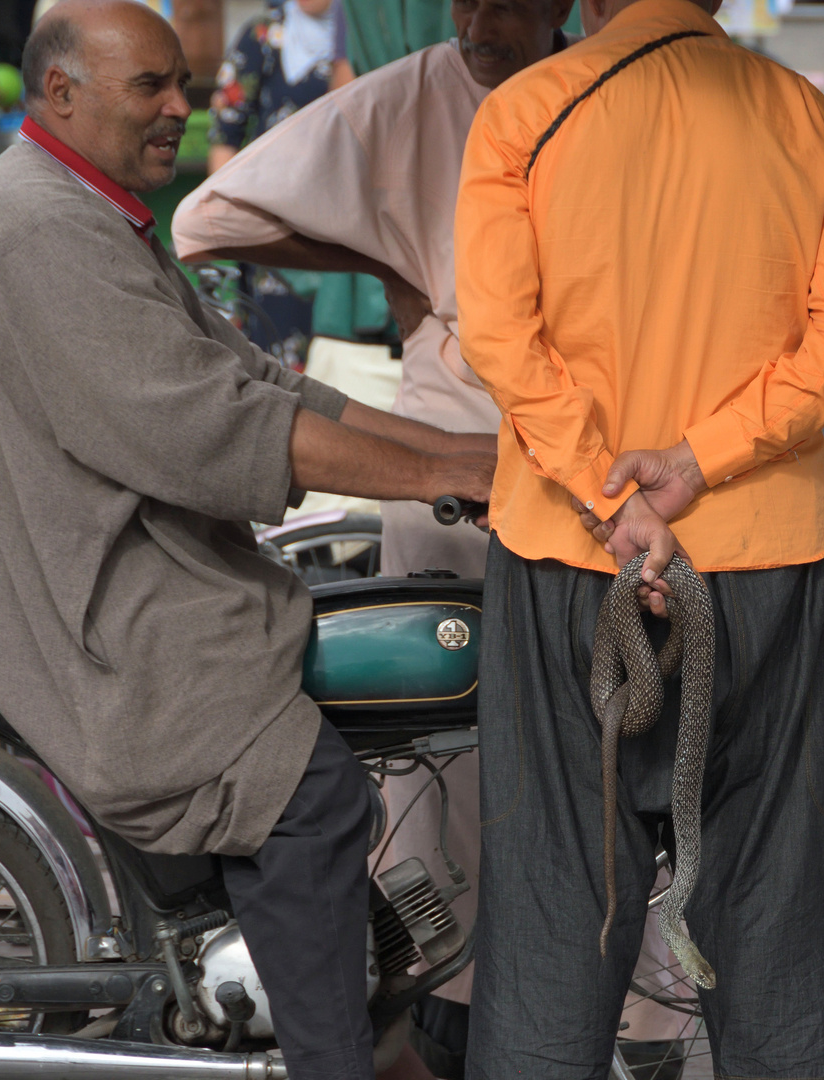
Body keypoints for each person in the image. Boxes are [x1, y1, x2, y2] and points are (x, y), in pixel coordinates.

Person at [0, 4, 495, 1078]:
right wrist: (443, 475)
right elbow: (206, 426)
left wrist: (457, 452)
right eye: (149, 88)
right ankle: (332, 1062)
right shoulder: (38, 228)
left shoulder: (89, 210)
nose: (181, 107)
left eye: (182, 83)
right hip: (108, 615)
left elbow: (259, 378)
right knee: (312, 798)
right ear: (61, 93)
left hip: (137, 575)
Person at [452, 0, 824, 1070]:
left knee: (559, 909)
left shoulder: (525, 113)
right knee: (779, 909)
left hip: (569, 556)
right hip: (762, 567)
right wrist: (694, 462)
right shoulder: (809, 120)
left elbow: (498, 339)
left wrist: (618, 501)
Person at [172, 0, 574, 1057]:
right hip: (450, 452)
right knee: (446, 752)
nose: (484, 17)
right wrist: (391, 261)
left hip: (588, 458)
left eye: (512, 0)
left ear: (563, 9)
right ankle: (442, 1005)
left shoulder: (604, 92)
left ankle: (588, 1006)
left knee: (581, 745)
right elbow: (206, 218)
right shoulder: (412, 96)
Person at [204, 0, 335, 367]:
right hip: (270, 227)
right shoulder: (261, 36)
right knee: (273, 357)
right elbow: (225, 134)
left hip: (340, 229)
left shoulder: (356, 39)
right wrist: (227, 224)